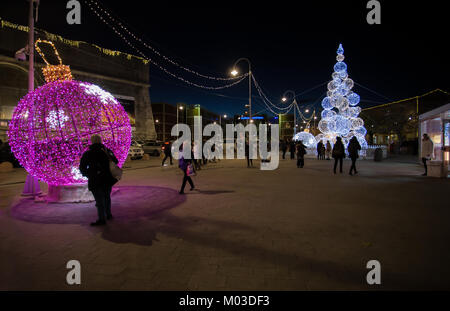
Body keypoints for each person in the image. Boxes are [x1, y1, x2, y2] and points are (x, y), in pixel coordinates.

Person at [79, 135, 118, 226]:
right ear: (101, 141)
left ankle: (102, 219)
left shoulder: (88, 153)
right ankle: (108, 214)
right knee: (107, 197)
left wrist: (89, 174)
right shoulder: (107, 151)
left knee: (99, 200)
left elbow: (82, 167)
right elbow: (116, 161)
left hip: (95, 179)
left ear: (91, 142)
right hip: (107, 179)